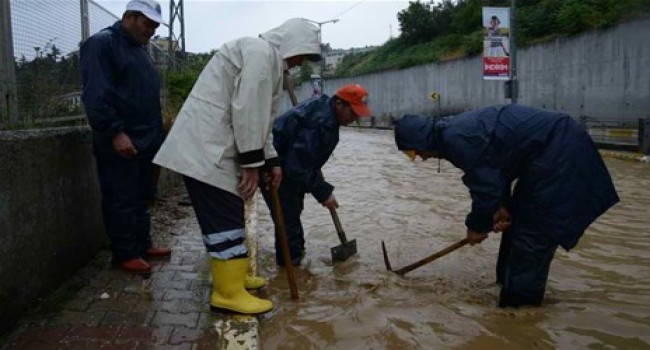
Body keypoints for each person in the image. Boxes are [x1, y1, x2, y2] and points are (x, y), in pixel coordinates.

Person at [153, 18, 322, 314]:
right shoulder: (260, 53)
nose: (298, 64)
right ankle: (228, 293)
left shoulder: (265, 59)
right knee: (224, 217)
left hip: (213, 148)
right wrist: (251, 164)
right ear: (291, 44)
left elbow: (262, 121)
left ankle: (235, 275)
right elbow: (246, 110)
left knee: (230, 213)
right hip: (207, 150)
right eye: (300, 55)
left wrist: (273, 161)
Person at [393, 105, 619, 308]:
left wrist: (477, 226)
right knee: (517, 226)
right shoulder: (453, 133)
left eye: (413, 152)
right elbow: (494, 169)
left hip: (562, 158)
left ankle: (520, 316)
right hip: (546, 158)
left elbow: (486, 186)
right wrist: (501, 207)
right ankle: (505, 297)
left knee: (531, 237)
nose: (420, 158)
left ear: (420, 140)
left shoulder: (457, 138)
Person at [80, 0, 171, 275]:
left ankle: (142, 244)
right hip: (120, 138)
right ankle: (124, 253)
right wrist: (115, 132)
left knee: (142, 195)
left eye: (155, 25)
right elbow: (97, 93)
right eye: (147, 23)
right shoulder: (102, 44)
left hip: (146, 137)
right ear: (128, 17)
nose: (152, 31)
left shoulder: (139, 49)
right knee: (120, 195)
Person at [259, 84, 372, 267]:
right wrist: (323, 192)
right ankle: (291, 270)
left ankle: (296, 261)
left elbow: (306, 158)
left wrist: (319, 185)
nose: (355, 118)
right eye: (353, 112)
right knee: (288, 222)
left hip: (288, 166)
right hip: (275, 169)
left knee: (292, 216)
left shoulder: (325, 111)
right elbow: (297, 165)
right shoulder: (320, 121)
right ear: (339, 104)